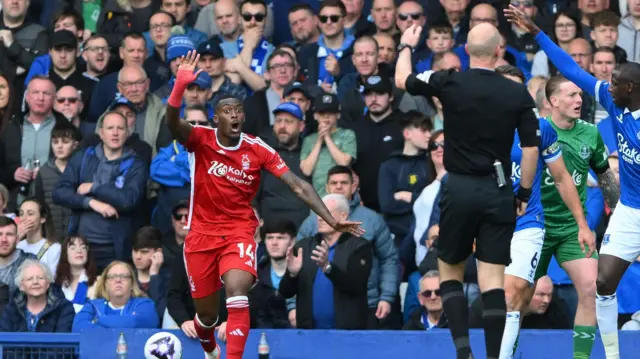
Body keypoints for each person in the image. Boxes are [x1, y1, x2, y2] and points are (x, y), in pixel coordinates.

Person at [164, 51, 364, 359]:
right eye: (227, 111)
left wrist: (332, 219)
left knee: (237, 290)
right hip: (201, 235)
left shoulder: (258, 149)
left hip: (238, 231)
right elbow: (172, 123)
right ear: (216, 119)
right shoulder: (200, 139)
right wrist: (179, 87)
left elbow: (299, 185)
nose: (234, 115)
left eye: (238, 111)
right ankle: (208, 343)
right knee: (206, 318)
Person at [395, 23, 540, 359]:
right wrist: (523, 192)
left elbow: (403, 79)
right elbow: (531, 149)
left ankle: (463, 351)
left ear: (466, 50)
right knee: (492, 280)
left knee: (450, 269)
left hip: (459, 188)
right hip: (498, 189)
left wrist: (405, 45)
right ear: (498, 51)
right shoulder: (517, 92)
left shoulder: (449, 80)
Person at [504, 6, 636, 359]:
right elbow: (570, 66)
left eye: (583, 95)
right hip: (535, 222)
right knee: (517, 295)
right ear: (552, 102)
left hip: (571, 226)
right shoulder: (533, 130)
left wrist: (612, 208)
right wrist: (535, 32)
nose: (587, 96)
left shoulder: (590, 133)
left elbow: (604, 176)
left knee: (593, 287)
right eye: (574, 95)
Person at [495, 65, 597, 359]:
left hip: (528, 220)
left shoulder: (541, 128)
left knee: (512, 293)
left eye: (517, 87)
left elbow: (563, 178)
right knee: (508, 298)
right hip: (489, 220)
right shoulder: (477, 125)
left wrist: (582, 223)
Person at [279, 194, 372, 329]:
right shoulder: (303, 247)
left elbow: (356, 286)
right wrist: (292, 275)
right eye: (318, 212)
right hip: (309, 334)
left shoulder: (359, 246)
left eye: (325, 213)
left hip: (346, 335)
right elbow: (285, 292)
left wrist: (328, 267)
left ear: (343, 216)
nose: (319, 218)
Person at [72, 261, 159, 331]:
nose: (118, 280)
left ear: (132, 284)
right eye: (112, 277)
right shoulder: (92, 306)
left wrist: (97, 320)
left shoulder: (144, 304)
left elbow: (135, 323)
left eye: (124, 276)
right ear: (105, 284)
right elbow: (78, 327)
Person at [0, 259, 75, 332]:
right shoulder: (11, 310)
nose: (35, 282)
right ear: (21, 286)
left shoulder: (63, 308)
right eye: (30, 279)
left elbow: (62, 341)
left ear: (48, 283)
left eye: (40, 278)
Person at [16, 198, 61, 276]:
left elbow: (51, 277)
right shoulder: (16, 245)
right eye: (21, 214)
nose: (24, 218)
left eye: (30, 214)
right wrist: (15, 240)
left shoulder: (52, 247)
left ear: (42, 219)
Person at [54, 235, 98, 313]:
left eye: (83, 247)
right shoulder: (57, 285)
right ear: (65, 254)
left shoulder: (97, 282)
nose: (79, 251)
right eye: (73, 248)